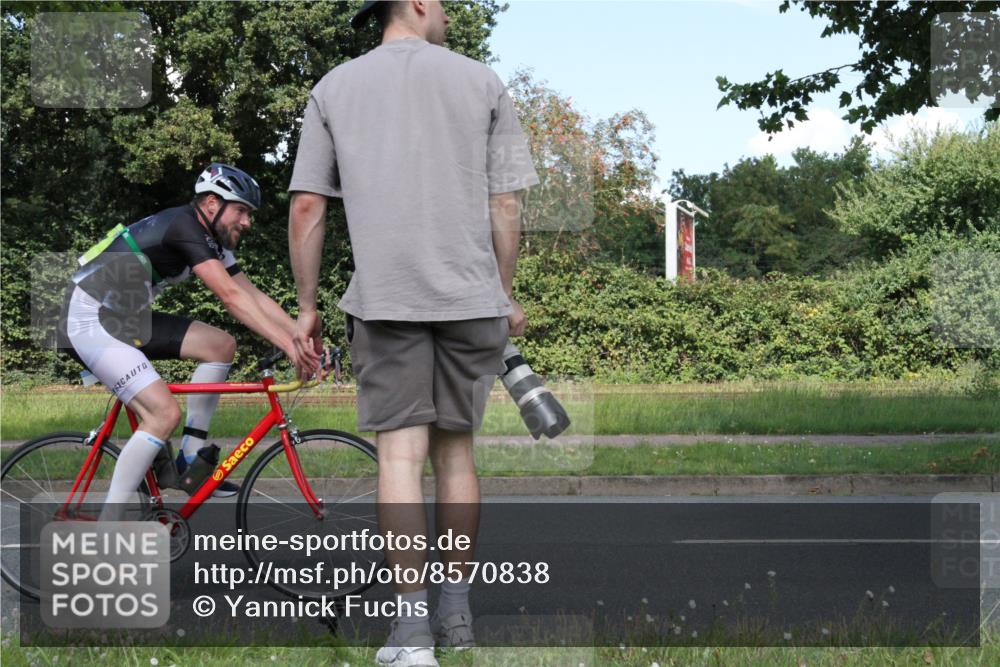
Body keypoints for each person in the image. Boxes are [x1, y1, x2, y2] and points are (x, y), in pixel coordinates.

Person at [286, 1, 539, 665]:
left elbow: (308, 204)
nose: (449, 15)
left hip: (386, 301)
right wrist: (502, 292)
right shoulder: (484, 82)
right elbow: (506, 201)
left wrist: (307, 305)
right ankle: (456, 616)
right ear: (420, 2)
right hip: (469, 301)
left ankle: (412, 633)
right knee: (456, 457)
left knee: (400, 458)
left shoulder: (334, 88)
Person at [60, 163, 317, 520]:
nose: (247, 222)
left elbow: (252, 295)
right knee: (163, 414)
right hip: (87, 320)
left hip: (122, 318)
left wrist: (300, 337)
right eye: (241, 210)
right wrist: (290, 348)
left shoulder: (210, 237)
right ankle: (109, 527)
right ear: (212, 203)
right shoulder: (184, 227)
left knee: (220, 346)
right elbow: (231, 298)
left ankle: (189, 459)